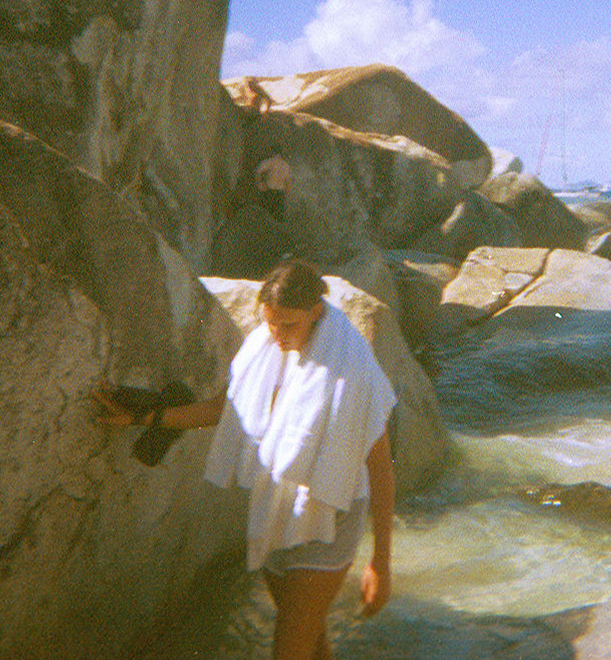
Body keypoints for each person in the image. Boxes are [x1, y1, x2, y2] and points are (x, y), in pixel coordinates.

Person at [95, 258, 397, 660]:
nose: (277, 334)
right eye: (271, 322)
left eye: (289, 324)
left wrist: (381, 561)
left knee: (288, 650)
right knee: (311, 644)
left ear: (317, 312)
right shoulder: (265, 346)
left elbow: (380, 467)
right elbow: (223, 409)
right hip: (275, 508)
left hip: (329, 518)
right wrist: (142, 417)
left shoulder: (352, 369)